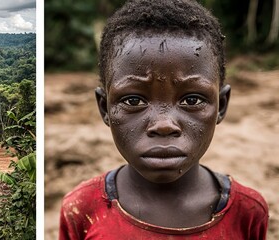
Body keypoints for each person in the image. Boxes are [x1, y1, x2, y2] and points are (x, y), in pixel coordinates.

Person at [59, 0, 269, 239]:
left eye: (191, 100)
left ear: (221, 106)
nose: (164, 124)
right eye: (133, 101)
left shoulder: (248, 212)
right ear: (105, 108)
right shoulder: (81, 209)